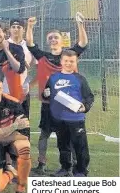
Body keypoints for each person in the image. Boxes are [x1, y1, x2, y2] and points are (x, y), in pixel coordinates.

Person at [26, 14, 88, 174]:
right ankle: (41, 163)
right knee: (44, 135)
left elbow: (82, 44)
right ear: (48, 41)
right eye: (50, 37)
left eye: (56, 37)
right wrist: (30, 27)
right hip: (48, 105)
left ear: (61, 40)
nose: (53, 39)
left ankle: (75, 165)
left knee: (72, 137)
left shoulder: (68, 56)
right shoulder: (43, 56)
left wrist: (80, 24)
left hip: (69, 106)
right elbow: (30, 44)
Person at [43, 50, 93, 177]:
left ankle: (81, 171)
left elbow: (89, 97)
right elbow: (47, 94)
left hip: (76, 119)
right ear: (61, 61)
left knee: (80, 146)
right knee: (63, 145)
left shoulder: (80, 79)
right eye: (66, 61)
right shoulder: (53, 78)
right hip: (59, 119)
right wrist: (45, 94)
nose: (68, 63)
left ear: (76, 62)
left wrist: (85, 107)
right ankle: (65, 168)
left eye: (72, 61)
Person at [0, 21, 26, 103]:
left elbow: (19, 69)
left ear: (4, 33)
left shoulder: (17, 48)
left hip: (15, 95)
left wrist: (7, 51)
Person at [7, 19, 35, 117]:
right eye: (13, 27)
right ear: (9, 29)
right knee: (7, 122)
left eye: (19, 27)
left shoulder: (29, 46)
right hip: (7, 91)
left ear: (23, 30)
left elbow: (34, 68)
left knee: (24, 123)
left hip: (24, 91)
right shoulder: (4, 45)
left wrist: (27, 82)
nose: (16, 29)